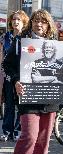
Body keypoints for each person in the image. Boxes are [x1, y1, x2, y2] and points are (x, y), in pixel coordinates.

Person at [3, 9, 63, 154]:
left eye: (44, 22)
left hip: (49, 99)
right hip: (29, 97)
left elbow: (59, 72)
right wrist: (15, 81)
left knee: (44, 138)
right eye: (36, 21)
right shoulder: (19, 42)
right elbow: (7, 65)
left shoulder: (55, 45)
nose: (39, 24)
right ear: (30, 23)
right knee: (29, 136)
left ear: (49, 25)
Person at [0, 10, 29, 142]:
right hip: (7, 74)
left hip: (23, 75)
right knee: (9, 104)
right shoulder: (5, 37)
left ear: (24, 22)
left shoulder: (26, 38)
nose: (15, 22)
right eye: (13, 19)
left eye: (19, 19)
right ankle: (6, 131)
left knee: (21, 104)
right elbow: (1, 57)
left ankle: (18, 130)